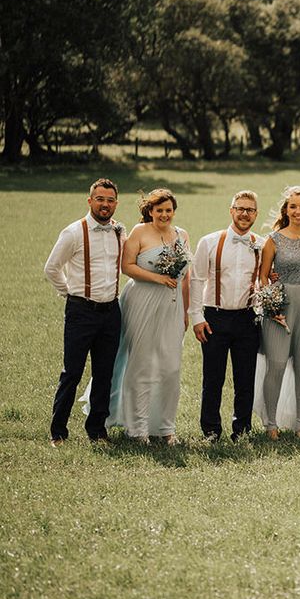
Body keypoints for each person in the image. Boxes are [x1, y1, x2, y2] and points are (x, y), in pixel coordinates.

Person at [100, 188, 191, 444]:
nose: (164, 215)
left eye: (168, 210)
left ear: (174, 211)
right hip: (142, 301)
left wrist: (185, 311)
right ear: (150, 211)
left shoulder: (182, 235)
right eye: (159, 210)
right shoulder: (140, 232)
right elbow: (126, 266)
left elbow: (186, 277)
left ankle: (164, 428)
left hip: (172, 305)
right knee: (141, 365)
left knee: (171, 367)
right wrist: (158, 278)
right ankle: (136, 429)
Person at [44, 179, 125, 446]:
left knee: (105, 372)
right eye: (100, 199)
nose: (105, 204)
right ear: (89, 201)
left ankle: (97, 430)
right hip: (81, 311)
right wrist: (69, 293)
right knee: (73, 371)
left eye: (110, 200)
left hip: (111, 311)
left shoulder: (119, 232)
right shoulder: (73, 233)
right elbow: (52, 268)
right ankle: (58, 432)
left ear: (116, 203)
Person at [189, 191, 263, 443]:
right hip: (214, 318)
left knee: (246, 377)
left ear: (256, 214)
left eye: (250, 210)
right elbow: (196, 279)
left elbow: (266, 282)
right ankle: (211, 430)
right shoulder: (209, 242)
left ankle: (241, 430)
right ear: (231, 210)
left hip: (247, 319)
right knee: (213, 377)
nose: (244, 214)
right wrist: (196, 316)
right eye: (240, 208)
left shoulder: (261, 245)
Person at [253, 186, 300, 440]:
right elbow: (262, 276)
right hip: (279, 307)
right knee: (276, 364)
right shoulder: (273, 239)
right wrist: (271, 304)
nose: (298, 211)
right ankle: (271, 424)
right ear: (286, 209)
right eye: (293, 206)